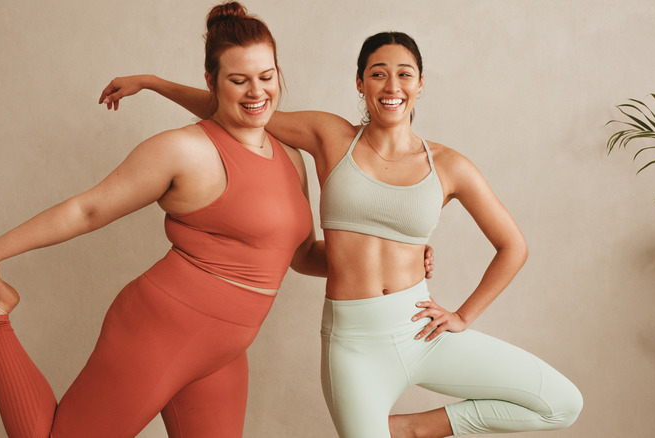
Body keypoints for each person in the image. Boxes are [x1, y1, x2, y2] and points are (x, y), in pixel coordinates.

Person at [99, 30, 583, 438]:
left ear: (420, 84)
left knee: (561, 403)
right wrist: (151, 83)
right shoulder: (331, 136)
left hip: (420, 329)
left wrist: (463, 314)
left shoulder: (450, 165)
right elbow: (237, 106)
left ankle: (412, 429)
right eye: (377, 72)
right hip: (353, 344)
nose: (391, 84)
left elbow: (513, 246)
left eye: (404, 73)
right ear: (360, 82)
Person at [0, 3, 328, 437]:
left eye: (266, 77)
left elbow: (302, 255)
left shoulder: (291, 156)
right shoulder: (184, 150)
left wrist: (395, 258)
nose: (256, 92)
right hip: (162, 330)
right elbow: (88, 209)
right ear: (211, 81)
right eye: (239, 80)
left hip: (225, 350)